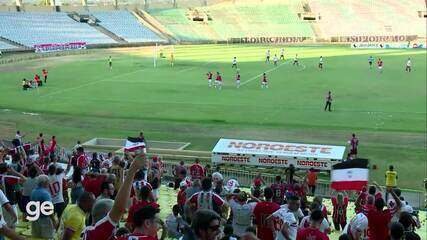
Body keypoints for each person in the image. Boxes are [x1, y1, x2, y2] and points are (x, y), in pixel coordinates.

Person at [82, 153, 146, 240]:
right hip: (120, 187)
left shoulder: (89, 232)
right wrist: (132, 170)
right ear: (105, 217)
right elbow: (119, 209)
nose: (117, 219)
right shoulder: (95, 234)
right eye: (112, 213)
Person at [30, 175, 58, 239]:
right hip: (45, 219)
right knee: (47, 237)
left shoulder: (33, 192)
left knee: (37, 237)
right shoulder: (45, 194)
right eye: (47, 182)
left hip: (35, 218)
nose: (48, 183)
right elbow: (48, 208)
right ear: (44, 183)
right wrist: (54, 220)